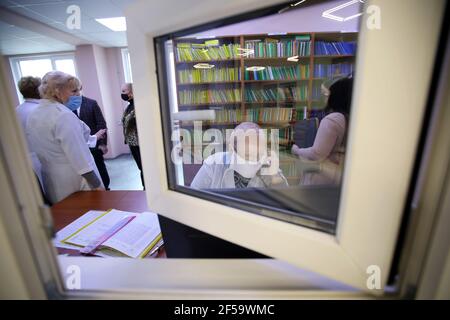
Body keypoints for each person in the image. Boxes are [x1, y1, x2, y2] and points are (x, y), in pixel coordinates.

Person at [26, 71, 105, 204]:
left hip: (51, 178)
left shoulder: (34, 114)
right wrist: (97, 185)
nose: (78, 95)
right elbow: (79, 159)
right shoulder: (63, 116)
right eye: (74, 91)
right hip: (75, 180)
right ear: (57, 92)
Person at [291, 77, 353, 185]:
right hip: (340, 176)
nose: (324, 99)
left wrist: (296, 150)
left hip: (324, 178)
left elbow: (317, 154)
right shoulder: (351, 118)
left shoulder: (332, 120)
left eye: (326, 94)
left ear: (336, 95)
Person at [191, 122, 288, 189]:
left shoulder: (269, 166)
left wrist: (274, 177)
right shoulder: (214, 164)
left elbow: (285, 206)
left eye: (258, 155)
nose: (254, 161)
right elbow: (193, 199)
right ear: (232, 150)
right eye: (247, 156)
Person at [72, 79, 111, 190]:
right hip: (78, 147)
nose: (75, 93)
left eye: (76, 90)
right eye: (72, 91)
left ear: (81, 88)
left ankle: (106, 188)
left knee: (100, 168)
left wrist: (102, 144)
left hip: (95, 145)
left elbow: (101, 124)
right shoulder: (65, 107)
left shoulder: (91, 103)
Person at [121, 83, 145, 189]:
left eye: (124, 91)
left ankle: (148, 189)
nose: (122, 94)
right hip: (133, 143)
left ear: (132, 92)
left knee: (145, 167)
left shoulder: (139, 105)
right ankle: (145, 188)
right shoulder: (129, 106)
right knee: (141, 167)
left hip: (140, 143)